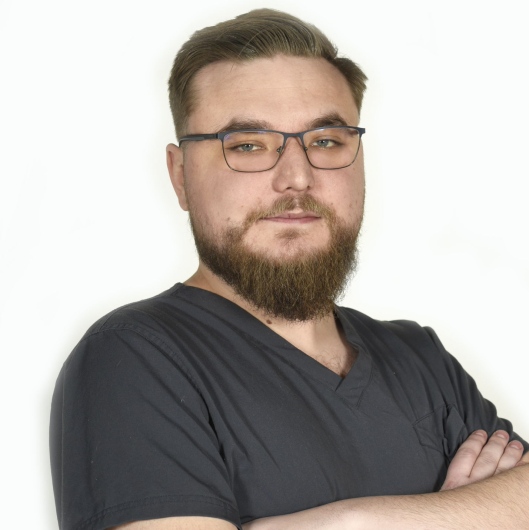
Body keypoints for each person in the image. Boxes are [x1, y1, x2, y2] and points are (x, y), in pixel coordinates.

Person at [49, 8, 528, 530]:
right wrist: (466, 514)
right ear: (181, 176)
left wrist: (352, 522)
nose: (297, 177)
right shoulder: (134, 358)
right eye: (248, 146)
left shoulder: (421, 360)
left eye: (326, 141)